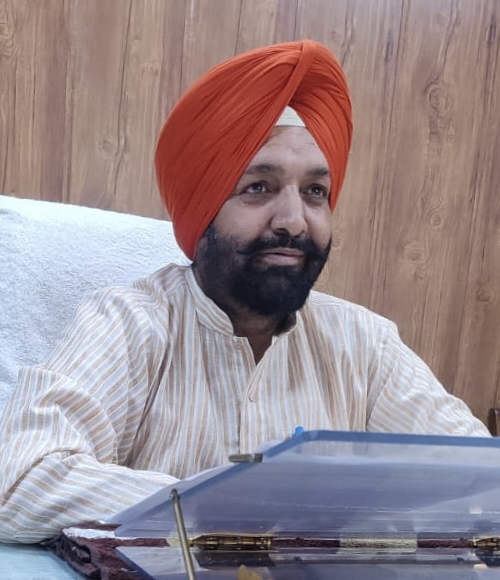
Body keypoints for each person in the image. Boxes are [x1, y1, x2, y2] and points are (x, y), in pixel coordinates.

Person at [0, 40, 489, 544]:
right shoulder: (128, 324)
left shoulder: (364, 344)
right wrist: (236, 506)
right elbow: (18, 483)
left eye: (315, 192)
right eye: (258, 187)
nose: (294, 220)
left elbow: (479, 480)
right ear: (202, 210)